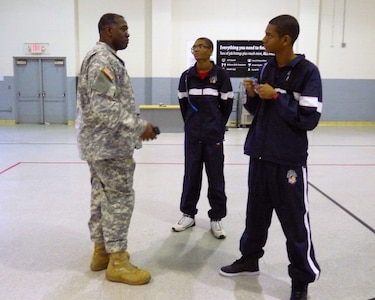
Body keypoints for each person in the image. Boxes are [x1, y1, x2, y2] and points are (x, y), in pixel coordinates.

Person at [219, 15, 322, 300]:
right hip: (261, 154)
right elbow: (258, 111)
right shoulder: (266, 68)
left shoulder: (307, 72)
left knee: (294, 221)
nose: (264, 39)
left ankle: (301, 279)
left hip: (288, 159)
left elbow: (309, 118)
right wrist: (253, 95)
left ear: (285, 39)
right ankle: (249, 259)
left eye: (268, 35)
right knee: (256, 214)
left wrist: (277, 96)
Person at [75, 13, 157, 285]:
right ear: (108, 31)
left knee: (101, 197)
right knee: (119, 199)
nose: (128, 33)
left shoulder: (103, 57)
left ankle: (101, 252)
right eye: (123, 29)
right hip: (109, 145)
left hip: (100, 145)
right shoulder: (103, 60)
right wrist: (139, 126)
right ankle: (118, 261)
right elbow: (103, 106)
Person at [172, 37, 234, 239]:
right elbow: (183, 105)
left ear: (210, 50)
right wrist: (192, 124)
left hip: (213, 135)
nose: (196, 50)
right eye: (194, 47)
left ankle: (216, 218)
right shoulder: (186, 76)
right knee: (191, 176)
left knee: (216, 177)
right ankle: (188, 214)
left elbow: (226, 106)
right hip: (192, 135)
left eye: (201, 47)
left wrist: (216, 125)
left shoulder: (222, 76)